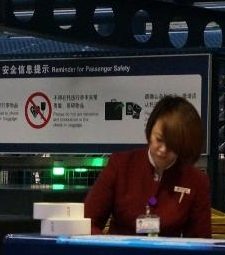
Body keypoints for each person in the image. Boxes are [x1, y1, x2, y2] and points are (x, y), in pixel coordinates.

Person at [84, 95, 211, 238]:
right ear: (150, 131)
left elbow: (200, 241)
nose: (162, 150)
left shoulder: (195, 180)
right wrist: (108, 246)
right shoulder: (120, 165)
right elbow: (87, 222)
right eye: (159, 140)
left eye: (172, 145)